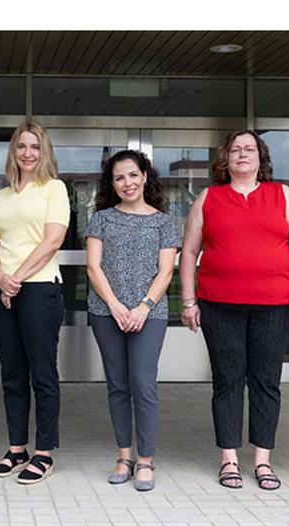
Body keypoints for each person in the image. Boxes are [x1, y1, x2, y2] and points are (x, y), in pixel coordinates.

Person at [179, 130, 289, 491]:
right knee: (227, 380)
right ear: (226, 158)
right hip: (219, 306)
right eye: (236, 149)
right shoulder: (208, 197)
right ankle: (229, 460)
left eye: (249, 149)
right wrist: (189, 301)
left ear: (261, 158)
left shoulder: (282, 195)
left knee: (266, 381)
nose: (242, 154)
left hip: (273, 305)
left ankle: (263, 461)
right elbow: (189, 253)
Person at [85, 150, 180, 491]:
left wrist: (142, 307)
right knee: (118, 385)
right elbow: (93, 267)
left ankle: (146, 460)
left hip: (148, 314)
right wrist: (114, 305)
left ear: (144, 176)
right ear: (112, 184)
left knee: (143, 383)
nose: (127, 182)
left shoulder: (163, 221)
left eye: (132, 175)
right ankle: (124, 455)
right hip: (105, 312)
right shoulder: (102, 219)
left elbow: (166, 270)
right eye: (119, 177)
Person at [0, 121, 70, 485]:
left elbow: (53, 241)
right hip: (2, 289)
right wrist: (1, 278)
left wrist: (15, 277)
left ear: (43, 151)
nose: (28, 153)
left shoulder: (54, 189)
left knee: (42, 373)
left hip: (38, 290)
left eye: (35, 146)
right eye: (22, 146)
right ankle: (16, 448)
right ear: (13, 152)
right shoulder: (2, 196)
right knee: (12, 373)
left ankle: (44, 452)